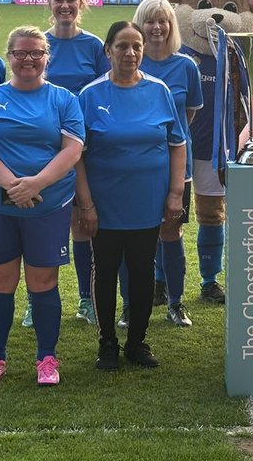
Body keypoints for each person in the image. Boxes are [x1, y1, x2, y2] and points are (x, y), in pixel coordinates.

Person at [0, 26, 85, 387]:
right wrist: (12, 185)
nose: (28, 60)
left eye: (36, 53)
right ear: (9, 56)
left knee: (43, 281)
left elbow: (72, 149)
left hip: (48, 204)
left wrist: (36, 184)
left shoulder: (64, 99)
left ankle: (46, 357)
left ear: (46, 57)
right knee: (0, 281)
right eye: (21, 53)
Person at [77, 21, 187, 370]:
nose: (130, 53)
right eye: (122, 46)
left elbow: (177, 143)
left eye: (136, 46)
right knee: (106, 269)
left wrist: (174, 194)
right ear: (108, 50)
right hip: (105, 203)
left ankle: (137, 341)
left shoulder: (159, 91)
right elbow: (76, 154)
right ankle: (107, 341)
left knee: (142, 270)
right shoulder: (90, 95)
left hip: (147, 200)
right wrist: (87, 203)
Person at [43, 0, 108, 327]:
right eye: (59, 0)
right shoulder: (39, 44)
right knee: (44, 225)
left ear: (82, 3)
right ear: (49, 3)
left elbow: (107, 91)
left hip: (86, 149)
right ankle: (37, 298)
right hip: (42, 148)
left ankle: (86, 297)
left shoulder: (95, 46)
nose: (65, 5)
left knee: (83, 223)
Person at [134, 0, 203, 328]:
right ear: (140, 25)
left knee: (171, 232)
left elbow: (187, 115)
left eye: (163, 20)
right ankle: (133, 303)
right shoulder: (131, 62)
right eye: (150, 20)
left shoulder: (186, 66)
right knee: (132, 234)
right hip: (135, 165)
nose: (156, 27)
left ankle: (176, 303)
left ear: (172, 26)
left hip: (176, 164)